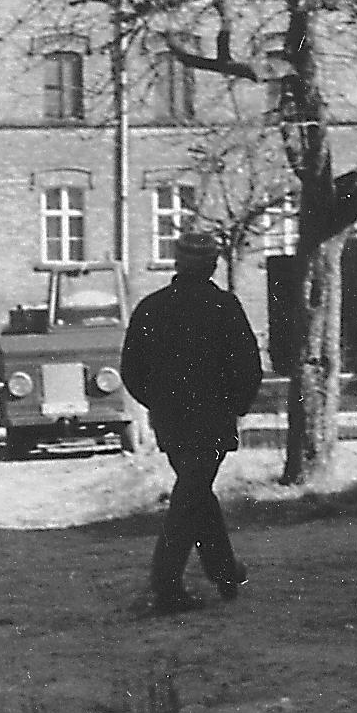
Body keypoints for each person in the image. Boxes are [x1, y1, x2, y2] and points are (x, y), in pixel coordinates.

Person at [118, 232, 265, 615]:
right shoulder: (224, 307)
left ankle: (225, 572)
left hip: (171, 424)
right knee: (192, 496)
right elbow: (249, 368)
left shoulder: (151, 308)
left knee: (194, 493)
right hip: (213, 422)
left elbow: (131, 371)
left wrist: (159, 404)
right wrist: (234, 407)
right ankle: (166, 586)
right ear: (214, 265)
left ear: (176, 262)